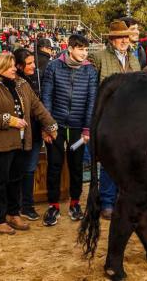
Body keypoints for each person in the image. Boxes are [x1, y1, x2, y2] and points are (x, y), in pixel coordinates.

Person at [0, 54, 57, 234]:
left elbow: (37, 106)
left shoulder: (21, 83)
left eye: (14, 66)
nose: (14, 68)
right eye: (10, 66)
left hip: (21, 141)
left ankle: (13, 213)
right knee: (0, 182)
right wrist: (9, 120)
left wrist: (50, 124)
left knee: (15, 180)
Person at [41, 34, 98, 226]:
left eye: (86, 49)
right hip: (56, 126)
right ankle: (53, 206)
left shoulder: (90, 70)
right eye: (80, 49)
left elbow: (92, 101)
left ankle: (75, 203)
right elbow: (46, 97)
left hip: (78, 128)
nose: (84, 53)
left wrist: (87, 129)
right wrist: (48, 126)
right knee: (55, 166)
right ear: (70, 48)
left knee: (76, 167)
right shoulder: (53, 66)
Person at [89, 20, 141, 219]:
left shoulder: (134, 59)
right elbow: (93, 89)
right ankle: (107, 202)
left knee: (129, 162)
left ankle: (123, 199)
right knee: (111, 162)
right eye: (120, 37)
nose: (124, 40)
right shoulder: (98, 57)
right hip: (109, 117)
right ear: (111, 39)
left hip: (131, 117)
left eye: (126, 37)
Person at [13, 48, 42, 220]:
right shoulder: (14, 82)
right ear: (18, 65)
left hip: (36, 133)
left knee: (30, 170)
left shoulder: (33, 80)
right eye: (29, 63)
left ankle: (27, 205)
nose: (34, 66)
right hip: (19, 134)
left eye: (33, 62)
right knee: (18, 170)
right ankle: (15, 207)